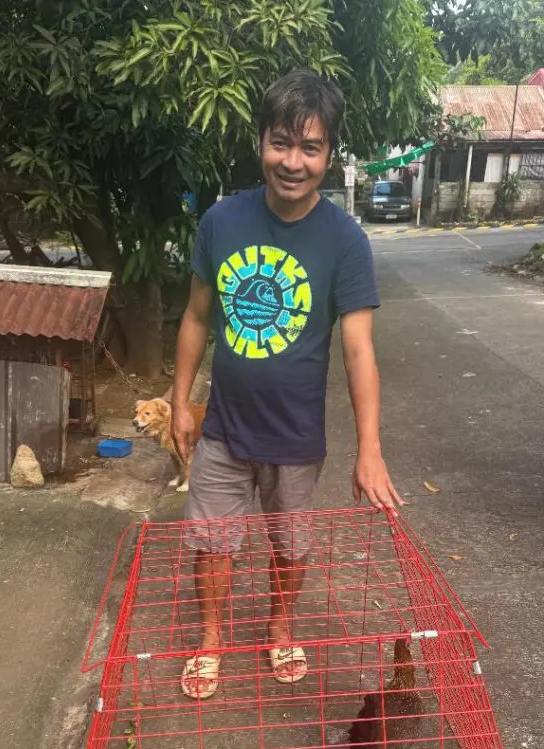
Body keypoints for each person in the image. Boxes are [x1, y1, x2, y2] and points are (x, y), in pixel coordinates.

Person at [171, 69, 401, 699]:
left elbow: (358, 351)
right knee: (212, 544)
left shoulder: (346, 241)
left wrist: (370, 449)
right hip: (222, 426)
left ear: (329, 155)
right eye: (281, 143)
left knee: (291, 547)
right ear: (260, 143)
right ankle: (213, 637)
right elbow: (195, 316)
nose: (292, 162)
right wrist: (180, 401)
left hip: (298, 437)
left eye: (310, 148)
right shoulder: (221, 223)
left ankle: (279, 625)